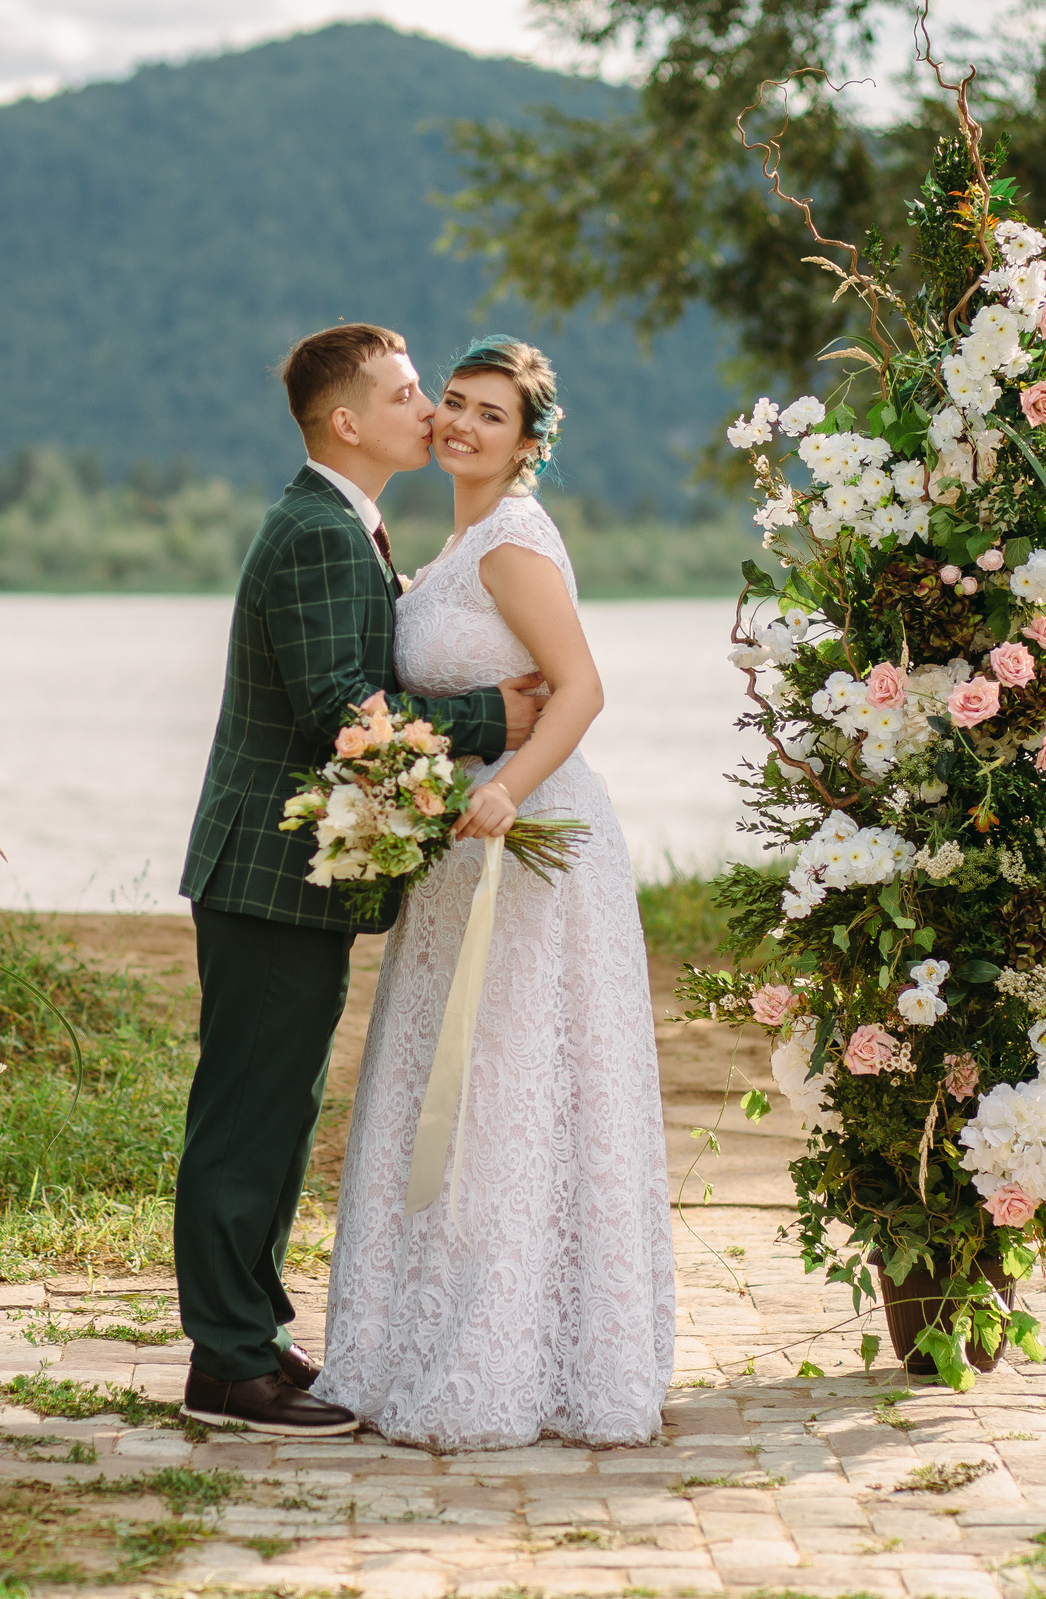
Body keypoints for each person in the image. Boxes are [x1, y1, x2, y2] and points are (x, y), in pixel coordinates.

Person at [173, 323, 546, 1436]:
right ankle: (227, 1367)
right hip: (269, 872)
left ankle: (250, 1342)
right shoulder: (321, 533)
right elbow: (346, 711)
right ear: (347, 421)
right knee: (247, 1118)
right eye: (406, 393)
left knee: (274, 1113)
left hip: (289, 872)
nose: (428, 409)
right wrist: (495, 715)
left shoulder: (345, 524)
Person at [314, 336, 676, 1450]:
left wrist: (509, 788)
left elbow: (580, 690)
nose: (461, 424)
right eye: (453, 404)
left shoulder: (512, 542)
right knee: (456, 1084)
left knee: (514, 1083)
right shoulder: (456, 542)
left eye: (490, 415)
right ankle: (415, 1337)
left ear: (527, 445)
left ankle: (526, 1352)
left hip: (531, 838)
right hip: (461, 850)